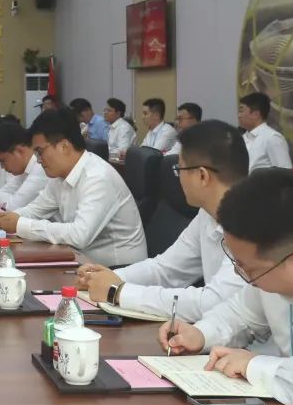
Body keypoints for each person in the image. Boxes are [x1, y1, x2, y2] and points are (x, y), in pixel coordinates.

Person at [160, 169, 293, 405]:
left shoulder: (280, 260)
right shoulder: (274, 266)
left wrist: (256, 366)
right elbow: (239, 314)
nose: (242, 275)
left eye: (248, 269)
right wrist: (201, 333)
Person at [78, 120, 247, 320]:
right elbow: (167, 269)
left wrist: (117, 291)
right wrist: (108, 277)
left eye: (179, 169)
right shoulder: (207, 214)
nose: (178, 178)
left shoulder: (251, 225)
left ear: (202, 176)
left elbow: (212, 302)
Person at [0, 108, 147, 267]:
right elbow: (36, 209)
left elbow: (79, 235)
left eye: (40, 152)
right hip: (83, 261)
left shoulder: (98, 177)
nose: (38, 160)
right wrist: (10, 218)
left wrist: (20, 224)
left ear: (64, 146)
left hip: (118, 270)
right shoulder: (60, 175)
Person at [238, 91, 293, 170]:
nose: (239, 115)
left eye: (241, 111)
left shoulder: (273, 138)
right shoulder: (241, 138)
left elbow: (285, 173)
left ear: (255, 114)